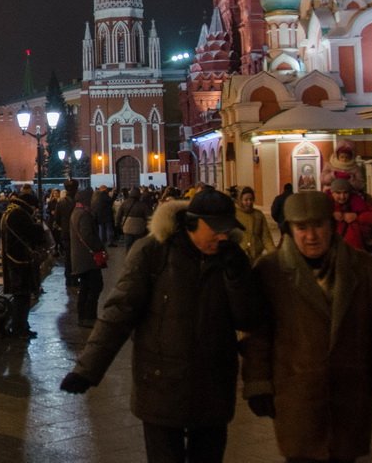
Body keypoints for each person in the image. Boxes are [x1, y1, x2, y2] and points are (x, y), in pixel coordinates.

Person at [59, 189, 263, 463]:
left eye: (227, 229)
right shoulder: (153, 252)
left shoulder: (231, 259)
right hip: (161, 387)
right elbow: (119, 312)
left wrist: (238, 277)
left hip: (213, 387)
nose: (222, 236)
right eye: (215, 229)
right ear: (192, 222)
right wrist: (87, 370)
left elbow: (248, 319)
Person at [243, 191, 372, 463]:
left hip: (350, 395)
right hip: (297, 397)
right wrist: (258, 384)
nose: (311, 235)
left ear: (331, 225)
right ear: (290, 229)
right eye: (301, 227)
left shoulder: (364, 269)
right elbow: (259, 336)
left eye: (318, 225)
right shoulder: (270, 271)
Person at [0, 192, 46, 339]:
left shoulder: (11, 211)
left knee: (22, 295)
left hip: (13, 258)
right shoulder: (19, 214)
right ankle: (19, 328)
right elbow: (31, 233)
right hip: (19, 260)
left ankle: (22, 325)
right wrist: (38, 227)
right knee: (22, 295)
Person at [67, 188, 105, 328]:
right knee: (94, 286)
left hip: (80, 257)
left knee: (85, 287)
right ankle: (88, 317)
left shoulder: (76, 212)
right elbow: (88, 235)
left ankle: (83, 317)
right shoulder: (84, 214)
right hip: (87, 258)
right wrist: (100, 248)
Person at [235, 187, 275, 264]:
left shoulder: (259, 215)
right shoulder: (235, 215)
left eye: (251, 199)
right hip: (240, 258)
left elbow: (266, 237)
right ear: (240, 200)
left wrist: (273, 254)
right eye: (246, 200)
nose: (249, 202)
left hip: (256, 257)